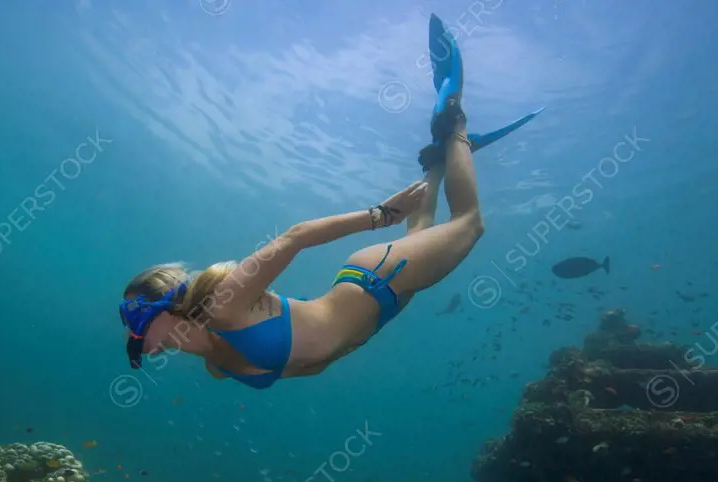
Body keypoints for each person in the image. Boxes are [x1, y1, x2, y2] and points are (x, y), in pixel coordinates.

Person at [119, 14, 541, 389]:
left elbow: (295, 238)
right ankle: (439, 157)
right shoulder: (216, 366)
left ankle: (456, 118)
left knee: (470, 223)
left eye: (135, 325)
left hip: (378, 278)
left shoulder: (224, 305)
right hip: (382, 309)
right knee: (422, 227)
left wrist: (381, 215)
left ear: (162, 307)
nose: (134, 339)